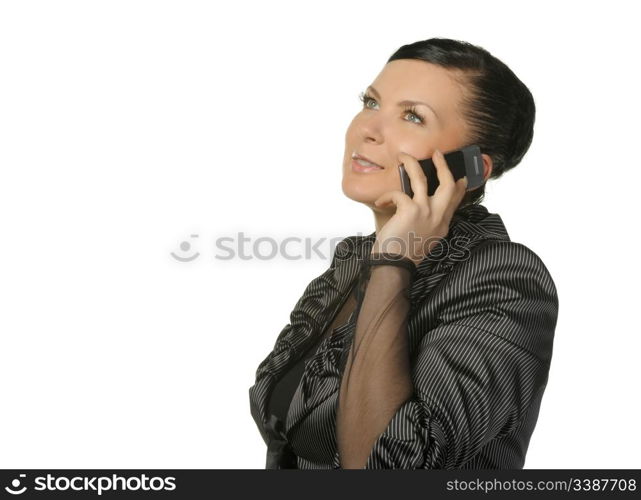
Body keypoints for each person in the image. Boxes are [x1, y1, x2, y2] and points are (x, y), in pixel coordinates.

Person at [248, 38, 559, 469]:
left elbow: (387, 466)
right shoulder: (352, 264)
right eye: (370, 102)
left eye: (412, 116)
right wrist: (387, 259)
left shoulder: (504, 277)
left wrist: (397, 262)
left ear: (470, 167)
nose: (367, 129)